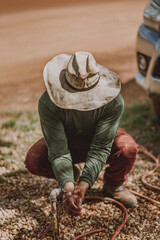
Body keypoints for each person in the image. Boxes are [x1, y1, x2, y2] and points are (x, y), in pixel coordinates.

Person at [25, 52, 138, 216]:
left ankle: (113, 185)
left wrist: (83, 186)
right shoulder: (48, 102)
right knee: (34, 160)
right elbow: (58, 150)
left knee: (127, 148)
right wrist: (69, 187)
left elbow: (101, 147)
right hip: (68, 143)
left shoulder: (113, 102)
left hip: (99, 140)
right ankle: (71, 173)